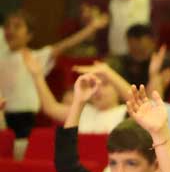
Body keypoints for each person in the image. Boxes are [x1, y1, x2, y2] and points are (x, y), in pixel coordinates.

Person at [0, 10, 109, 138]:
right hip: (2, 114)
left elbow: (66, 44)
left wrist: (92, 28)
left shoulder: (36, 57)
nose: (11, 30)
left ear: (29, 35)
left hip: (25, 117)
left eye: (17, 26)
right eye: (7, 26)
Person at [23, 53, 126, 134]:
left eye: (105, 84)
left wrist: (108, 72)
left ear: (118, 88)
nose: (97, 89)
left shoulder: (126, 111)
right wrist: (37, 75)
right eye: (93, 84)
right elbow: (51, 108)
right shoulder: (82, 110)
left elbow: (135, 99)